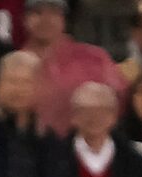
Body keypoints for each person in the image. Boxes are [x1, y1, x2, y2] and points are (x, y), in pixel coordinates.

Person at [22, 0, 120, 135]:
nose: (45, 20)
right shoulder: (14, 67)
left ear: (64, 18)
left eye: (53, 13)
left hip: (87, 145)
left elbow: (119, 100)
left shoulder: (94, 58)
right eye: (37, 12)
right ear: (24, 19)